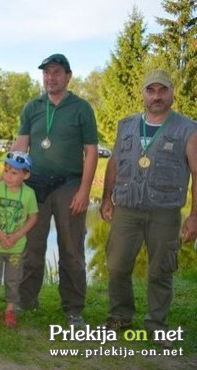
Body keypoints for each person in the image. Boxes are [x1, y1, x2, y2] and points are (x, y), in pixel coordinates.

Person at [100, 69, 197, 347]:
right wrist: (107, 198)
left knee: (160, 270)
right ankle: (120, 315)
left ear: (171, 93)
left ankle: (156, 324)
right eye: (150, 90)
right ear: (143, 93)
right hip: (127, 208)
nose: (156, 96)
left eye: (162, 90)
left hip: (164, 212)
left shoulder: (188, 129)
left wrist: (194, 215)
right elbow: (115, 162)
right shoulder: (127, 125)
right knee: (117, 265)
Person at [12, 53, 98, 326]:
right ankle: (26, 301)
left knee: (71, 249)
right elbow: (21, 145)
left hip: (69, 186)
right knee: (30, 247)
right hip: (34, 184)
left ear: (68, 76)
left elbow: (92, 152)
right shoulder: (32, 106)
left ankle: (73, 309)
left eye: (56, 72)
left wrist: (84, 191)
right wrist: (14, 181)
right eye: (46, 73)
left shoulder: (81, 108)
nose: (51, 77)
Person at [0, 151, 38, 327]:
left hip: (16, 248)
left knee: (13, 279)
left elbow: (33, 217)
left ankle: (10, 310)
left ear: (25, 175)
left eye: (14, 173)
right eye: (6, 171)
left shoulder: (29, 194)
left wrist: (18, 235)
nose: (8, 176)